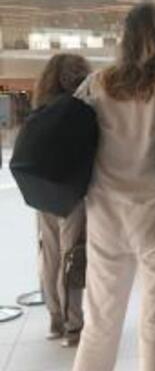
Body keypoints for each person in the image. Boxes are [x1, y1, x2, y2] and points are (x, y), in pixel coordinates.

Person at [70, 3, 155, 371]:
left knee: (100, 319)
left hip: (105, 214)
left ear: (126, 38)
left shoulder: (96, 84)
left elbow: (74, 139)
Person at [33, 53, 91, 347]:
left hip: (42, 190)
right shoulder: (82, 108)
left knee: (50, 255)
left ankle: (55, 319)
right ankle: (73, 324)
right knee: (72, 256)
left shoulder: (41, 107)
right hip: (72, 192)